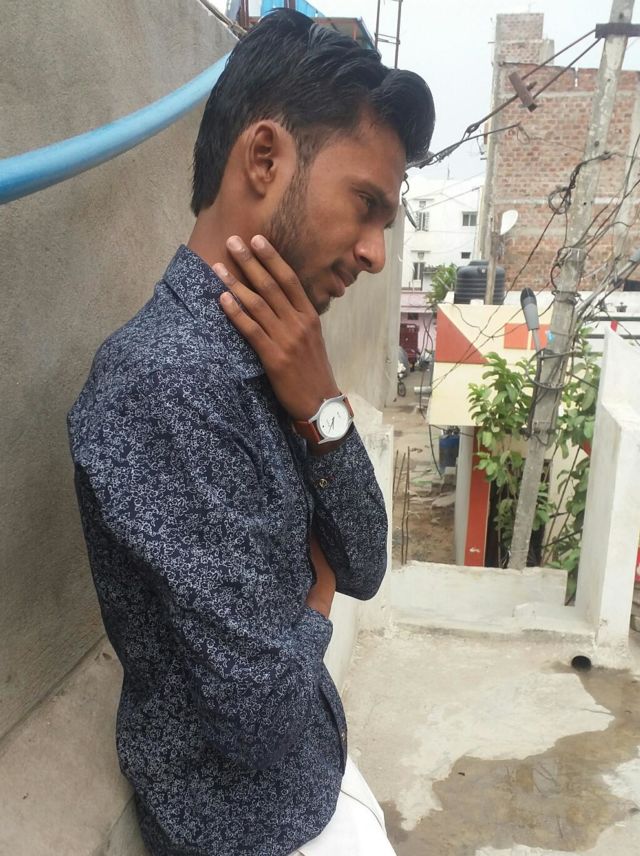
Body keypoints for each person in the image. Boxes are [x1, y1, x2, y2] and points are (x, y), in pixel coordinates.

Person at [68, 9, 434, 856]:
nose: (376, 253)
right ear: (265, 159)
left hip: (315, 776)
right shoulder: (165, 385)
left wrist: (324, 408)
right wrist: (316, 592)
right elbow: (259, 720)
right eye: (367, 205)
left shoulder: (283, 353)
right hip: (245, 829)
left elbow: (365, 562)